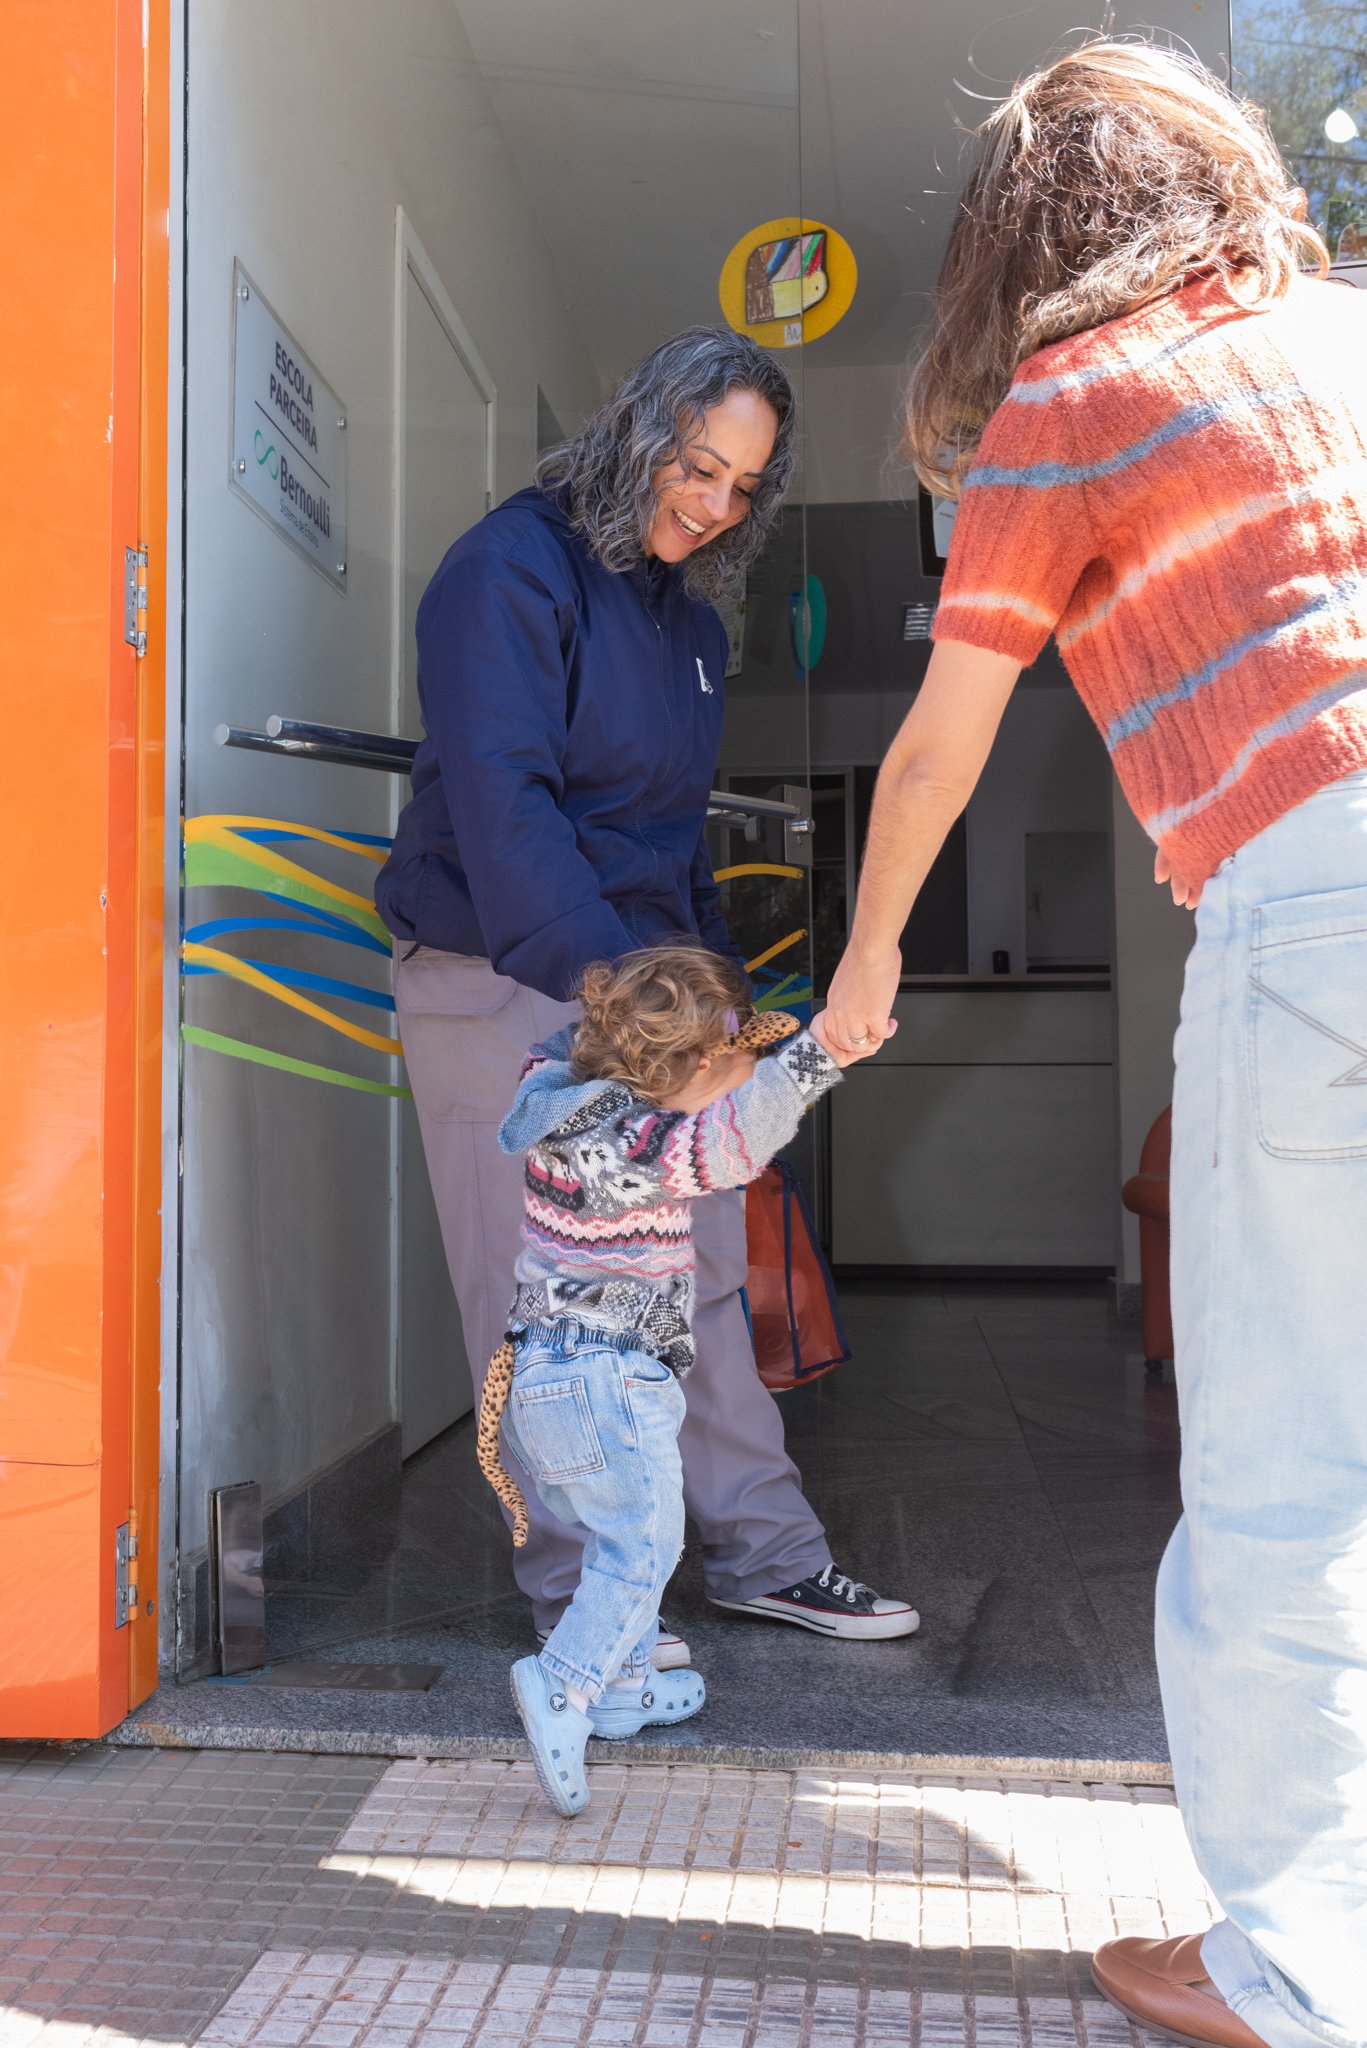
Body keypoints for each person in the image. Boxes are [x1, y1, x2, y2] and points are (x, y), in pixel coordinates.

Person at [820, 40, 1367, 2048]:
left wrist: (863, 966)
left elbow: (941, 738)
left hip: (1312, 902)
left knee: (1287, 1472)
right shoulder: (1342, 328)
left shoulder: (1068, 396)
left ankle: (1296, 1969)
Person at [375, 325, 918, 1664]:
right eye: (693, 464)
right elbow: (507, 805)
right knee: (541, 1295)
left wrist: (717, 1014)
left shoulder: (683, 627)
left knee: (710, 1272)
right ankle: (583, 1598)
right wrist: (616, 992)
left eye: (741, 485)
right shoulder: (507, 569)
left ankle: (766, 1556)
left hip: (647, 997)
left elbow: (671, 836)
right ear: (635, 430)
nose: (712, 502)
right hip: (507, 976)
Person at [482, 945, 849, 1816]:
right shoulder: (632, 1148)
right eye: (725, 1071)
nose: (732, 1087)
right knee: (641, 1548)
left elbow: (643, 1061)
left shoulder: (555, 1089)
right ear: (676, 1068)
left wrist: (731, 1035)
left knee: (614, 1536)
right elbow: (728, 1143)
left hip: (548, 1370)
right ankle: (563, 1684)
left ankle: (624, 1685)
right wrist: (818, 1055)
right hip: (608, 1377)